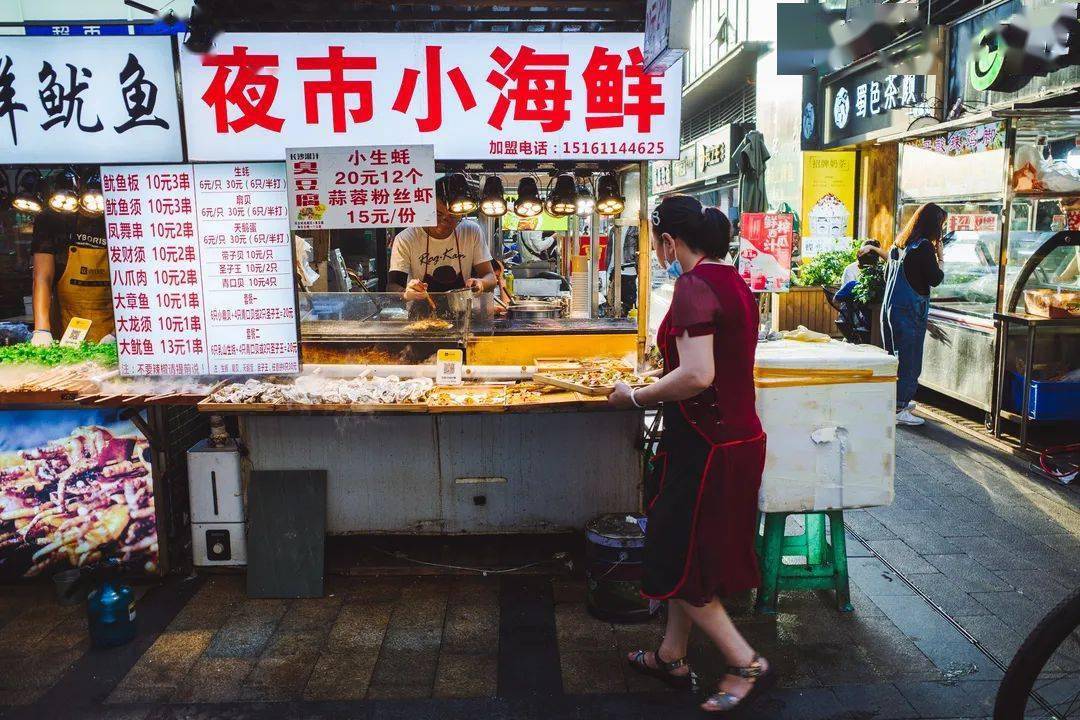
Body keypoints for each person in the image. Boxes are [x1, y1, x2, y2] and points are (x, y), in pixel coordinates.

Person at [608, 195, 773, 713]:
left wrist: (634, 397)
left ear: (669, 242)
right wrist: (662, 383)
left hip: (708, 447)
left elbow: (699, 374)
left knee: (677, 553)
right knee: (688, 552)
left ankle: (744, 660)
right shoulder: (734, 283)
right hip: (736, 440)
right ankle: (672, 655)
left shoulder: (692, 285)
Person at [865, 203, 946, 426]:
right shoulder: (924, 248)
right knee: (909, 361)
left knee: (894, 357)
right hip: (910, 312)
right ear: (933, 224)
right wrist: (941, 257)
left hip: (890, 309)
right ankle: (900, 407)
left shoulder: (898, 246)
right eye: (941, 224)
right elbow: (935, 279)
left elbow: (886, 277)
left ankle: (895, 400)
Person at [387, 176, 496, 301]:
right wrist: (406, 293)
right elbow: (392, 286)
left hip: (462, 314)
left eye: (453, 215)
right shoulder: (406, 238)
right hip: (421, 317)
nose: (445, 221)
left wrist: (481, 283)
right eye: (438, 215)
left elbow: (490, 277)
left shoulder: (471, 231)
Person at [31, 205, 114, 345]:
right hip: (66, 331)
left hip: (112, 327)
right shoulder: (51, 217)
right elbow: (42, 278)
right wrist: (42, 331)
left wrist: (119, 333)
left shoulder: (121, 216)